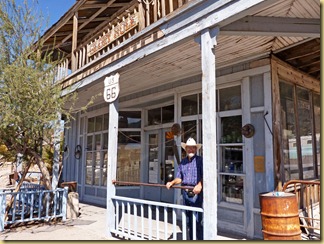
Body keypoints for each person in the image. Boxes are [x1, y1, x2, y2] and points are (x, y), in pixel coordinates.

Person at [166, 137, 203, 240]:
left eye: (193, 148)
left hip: (196, 193)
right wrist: (172, 182)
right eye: (188, 148)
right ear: (185, 149)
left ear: (196, 149)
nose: (190, 150)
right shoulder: (183, 162)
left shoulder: (200, 161)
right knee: (188, 220)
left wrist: (200, 185)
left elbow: (206, 176)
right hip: (186, 193)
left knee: (197, 220)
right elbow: (179, 178)